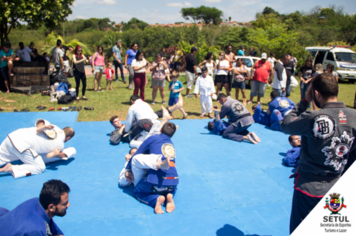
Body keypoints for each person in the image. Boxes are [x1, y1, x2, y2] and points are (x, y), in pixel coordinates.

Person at [281, 73, 356, 234]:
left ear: (315, 93)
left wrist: (304, 101)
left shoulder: (314, 117)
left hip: (308, 187)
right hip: (337, 188)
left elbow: (286, 125)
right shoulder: (354, 117)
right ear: (338, 90)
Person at [125, 120, 179, 214]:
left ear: (160, 129)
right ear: (173, 135)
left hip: (156, 181)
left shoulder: (153, 138)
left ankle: (156, 200)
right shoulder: (171, 144)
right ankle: (169, 195)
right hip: (174, 181)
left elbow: (137, 153)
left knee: (138, 192)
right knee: (169, 182)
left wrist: (128, 169)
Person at [0, 119, 75, 178]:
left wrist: (42, 127)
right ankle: (11, 168)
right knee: (40, 167)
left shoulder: (54, 126)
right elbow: (48, 156)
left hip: (13, 136)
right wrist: (55, 154)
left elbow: (40, 122)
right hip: (22, 146)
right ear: (68, 138)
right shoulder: (60, 144)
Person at [0, 180, 70, 235]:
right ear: (51, 207)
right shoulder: (36, 230)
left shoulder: (36, 201)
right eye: (64, 204)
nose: (68, 205)